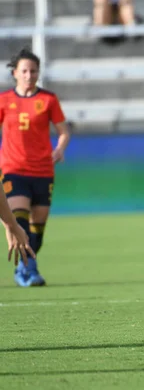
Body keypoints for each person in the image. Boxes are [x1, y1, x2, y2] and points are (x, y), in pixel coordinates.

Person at [0, 48, 71, 287]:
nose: (29, 75)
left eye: (33, 71)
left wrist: (60, 148)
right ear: (15, 73)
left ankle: (25, 266)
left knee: (37, 230)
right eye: (25, 71)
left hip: (42, 170)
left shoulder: (48, 100)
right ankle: (28, 272)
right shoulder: (4, 100)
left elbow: (63, 131)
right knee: (18, 220)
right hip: (12, 168)